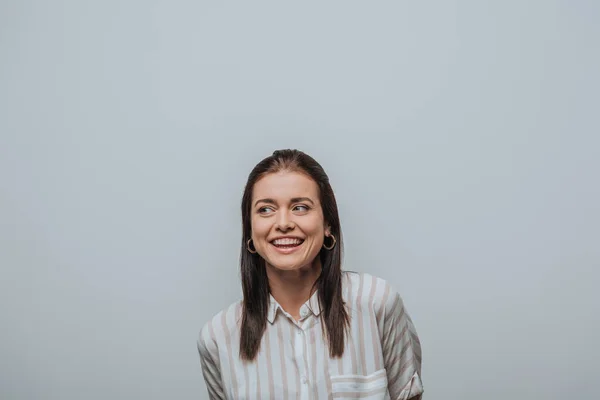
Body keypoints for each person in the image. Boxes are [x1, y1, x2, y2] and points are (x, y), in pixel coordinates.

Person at [197, 149, 424, 399]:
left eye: (300, 207)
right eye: (265, 210)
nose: (283, 223)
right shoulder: (217, 337)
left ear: (328, 224)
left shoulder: (376, 302)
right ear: (249, 230)